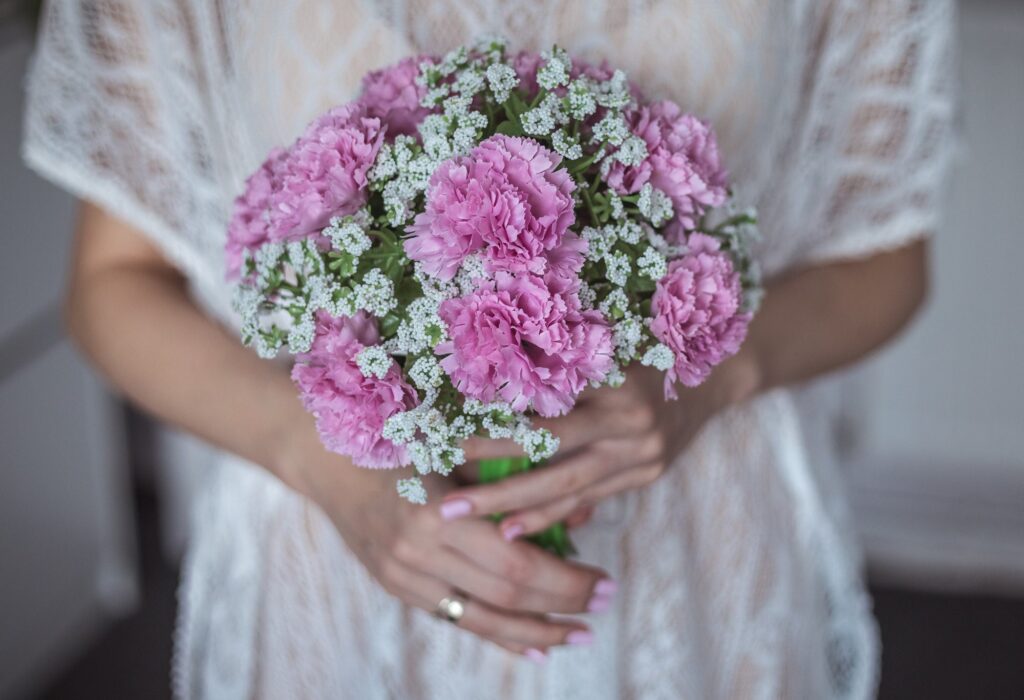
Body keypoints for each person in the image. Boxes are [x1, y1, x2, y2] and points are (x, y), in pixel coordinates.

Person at [24, 1, 956, 697]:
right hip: (337, 564)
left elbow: (887, 258)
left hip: (702, 564)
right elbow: (111, 286)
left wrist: (707, 385)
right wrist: (318, 455)